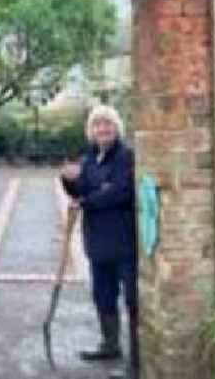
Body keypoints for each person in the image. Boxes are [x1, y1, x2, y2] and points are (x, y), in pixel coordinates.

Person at [60, 105, 139, 379]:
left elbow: (120, 192)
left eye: (107, 124)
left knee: (132, 300)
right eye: (97, 125)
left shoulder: (126, 157)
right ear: (90, 131)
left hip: (123, 241)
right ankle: (110, 345)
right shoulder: (91, 158)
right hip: (97, 242)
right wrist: (68, 181)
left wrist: (87, 200)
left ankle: (137, 363)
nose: (102, 129)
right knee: (103, 295)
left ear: (117, 127)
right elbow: (83, 187)